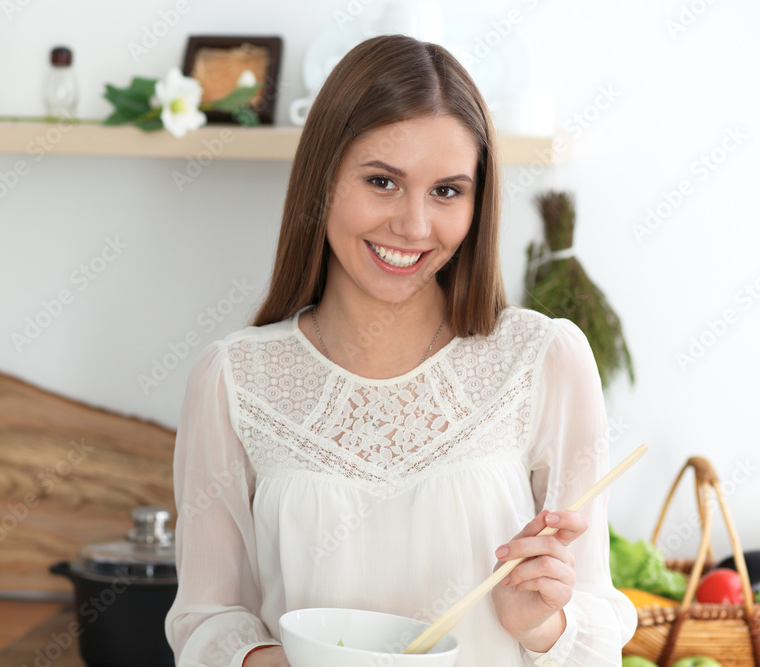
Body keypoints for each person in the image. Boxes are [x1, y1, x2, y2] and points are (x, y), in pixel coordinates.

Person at [164, 34, 637, 666]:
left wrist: (543, 627)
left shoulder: (544, 359)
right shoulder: (234, 378)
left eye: (447, 191)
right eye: (382, 181)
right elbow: (206, 617)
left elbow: (595, 632)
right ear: (322, 179)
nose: (413, 226)